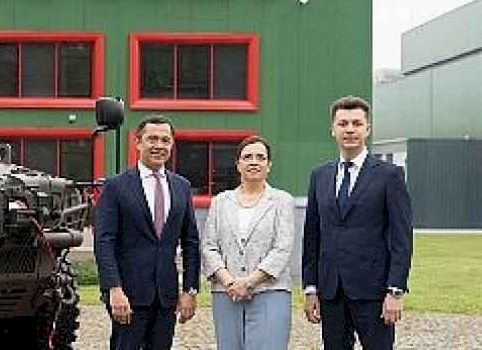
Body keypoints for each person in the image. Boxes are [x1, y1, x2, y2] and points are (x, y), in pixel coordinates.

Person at [302, 95, 413, 350]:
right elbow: (312, 235)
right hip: (331, 291)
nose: (350, 129)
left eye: (356, 123)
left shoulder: (390, 175)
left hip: (374, 290)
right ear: (333, 129)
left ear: (367, 129)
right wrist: (311, 288)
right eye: (343, 124)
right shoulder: (320, 176)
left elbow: (401, 237)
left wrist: (395, 290)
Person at [94, 115, 201, 350]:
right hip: (127, 295)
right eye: (152, 139)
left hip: (166, 296)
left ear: (172, 145)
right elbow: (104, 242)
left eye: (165, 140)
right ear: (138, 142)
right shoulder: (115, 187)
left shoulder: (182, 187)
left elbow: (191, 242)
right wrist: (113, 289)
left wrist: (190, 290)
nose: (159, 146)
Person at [201, 136, 295, 350]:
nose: (254, 162)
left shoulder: (282, 201)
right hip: (227, 293)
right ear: (238, 164)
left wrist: (250, 282)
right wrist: (229, 282)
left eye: (261, 157)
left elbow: (282, 248)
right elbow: (209, 246)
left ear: (269, 165)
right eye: (247, 157)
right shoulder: (220, 202)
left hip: (270, 290)